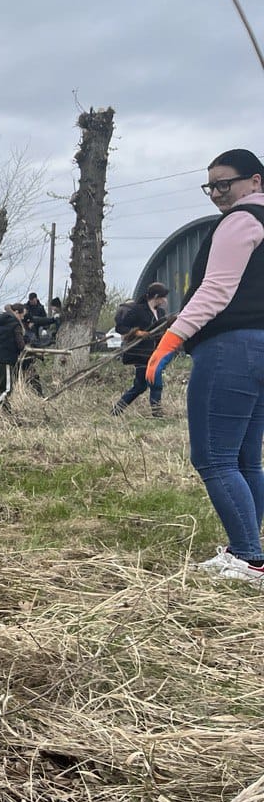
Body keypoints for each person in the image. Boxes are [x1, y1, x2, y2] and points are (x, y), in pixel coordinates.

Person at [146, 149, 264, 585]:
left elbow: (215, 291)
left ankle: (249, 557)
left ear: (255, 181)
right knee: (247, 459)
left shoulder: (241, 220)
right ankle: (247, 550)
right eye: (210, 186)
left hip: (230, 349)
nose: (216, 194)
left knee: (214, 458)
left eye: (224, 183)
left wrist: (171, 341)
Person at [110, 283, 169, 418]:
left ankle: (157, 412)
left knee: (156, 381)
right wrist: (137, 332)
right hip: (140, 353)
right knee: (141, 386)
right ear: (156, 296)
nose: (165, 300)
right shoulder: (138, 310)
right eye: (163, 297)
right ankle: (117, 410)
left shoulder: (160, 313)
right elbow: (121, 327)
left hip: (155, 353)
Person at [0, 302, 25, 414]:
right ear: (17, 312)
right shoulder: (15, 324)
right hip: (5, 359)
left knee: (3, 388)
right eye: (22, 315)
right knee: (7, 389)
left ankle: (7, 413)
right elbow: (21, 345)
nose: (22, 318)